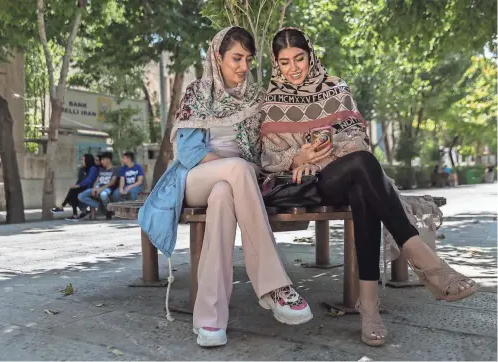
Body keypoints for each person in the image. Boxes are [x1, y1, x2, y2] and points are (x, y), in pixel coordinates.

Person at [260, 28, 476, 347]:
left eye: (300, 58)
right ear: (276, 64)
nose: (293, 68)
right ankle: (427, 264)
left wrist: (322, 158)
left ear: (311, 56)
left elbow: (357, 139)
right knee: (363, 169)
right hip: (300, 187)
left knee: (363, 182)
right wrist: (297, 158)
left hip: (338, 174)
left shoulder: (337, 89)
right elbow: (268, 158)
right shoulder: (271, 101)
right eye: (285, 61)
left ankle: (369, 307)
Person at [138, 27, 312, 348]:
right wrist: (230, 166)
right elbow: (190, 153)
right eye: (236, 58)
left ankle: (209, 318)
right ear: (218, 58)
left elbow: (265, 149)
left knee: (224, 195)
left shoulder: (256, 97)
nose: (243, 66)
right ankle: (273, 285)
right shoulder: (198, 92)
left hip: (235, 185)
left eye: (248, 59)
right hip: (194, 179)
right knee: (234, 170)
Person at [50, 154, 97, 220]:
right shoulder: (83, 169)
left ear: (88, 160)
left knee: (73, 192)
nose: (82, 161)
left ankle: (63, 208)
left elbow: (89, 180)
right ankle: (73, 213)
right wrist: (76, 185)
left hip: (89, 188)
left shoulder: (93, 168)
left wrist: (78, 185)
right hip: (82, 187)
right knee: (72, 191)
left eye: (83, 160)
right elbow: (80, 180)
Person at [78, 152, 118, 219]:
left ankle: (108, 210)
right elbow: (97, 181)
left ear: (108, 159)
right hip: (98, 188)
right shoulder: (101, 169)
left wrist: (100, 189)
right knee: (81, 196)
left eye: (103, 160)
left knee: (103, 194)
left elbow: (112, 183)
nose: (101, 162)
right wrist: (94, 188)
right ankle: (101, 207)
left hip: (107, 189)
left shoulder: (115, 169)